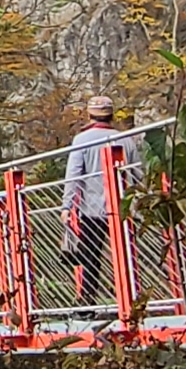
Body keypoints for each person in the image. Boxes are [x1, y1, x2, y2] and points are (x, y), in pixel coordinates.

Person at [61, 97, 131, 302]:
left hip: (92, 208)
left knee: (91, 256)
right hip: (123, 205)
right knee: (125, 253)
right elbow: (136, 171)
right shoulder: (126, 138)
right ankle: (130, 298)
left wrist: (67, 206)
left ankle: (87, 300)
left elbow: (73, 175)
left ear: (89, 115)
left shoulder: (82, 140)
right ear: (111, 115)